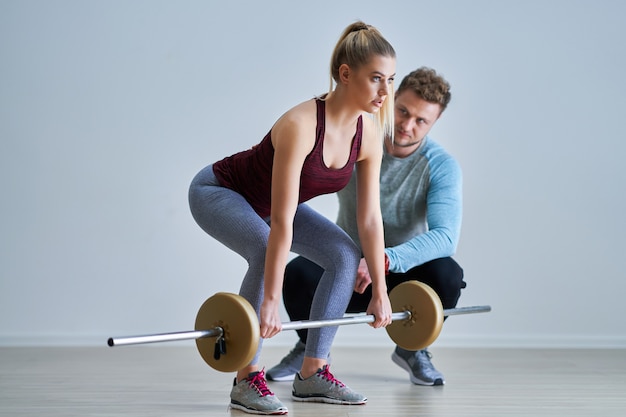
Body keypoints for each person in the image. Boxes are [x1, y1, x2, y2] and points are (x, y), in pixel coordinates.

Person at [188, 21, 396, 415]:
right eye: (376, 79)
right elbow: (281, 223)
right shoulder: (300, 125)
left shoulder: (368, 133)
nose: (386, 92)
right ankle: (247, 378)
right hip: (220, 192)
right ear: (345, 74)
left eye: (390, 79)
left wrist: (380, 293)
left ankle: (313, 372)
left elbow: (370, 218)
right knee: (266, 248)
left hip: (271, 206)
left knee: (344, 255)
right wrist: (269, 303)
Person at [267, 67, 466, 387]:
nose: (406, 125)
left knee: (449, 276)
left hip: (401, 271)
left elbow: (445, 237)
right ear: (392, 99)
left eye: (420, 120)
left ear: (435, 122)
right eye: (402, 111)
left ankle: (413, 348)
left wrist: (382, 261)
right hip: (345, 264)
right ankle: (310, 349)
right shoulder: (356, 140)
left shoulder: (441, 166)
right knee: (298, 275)